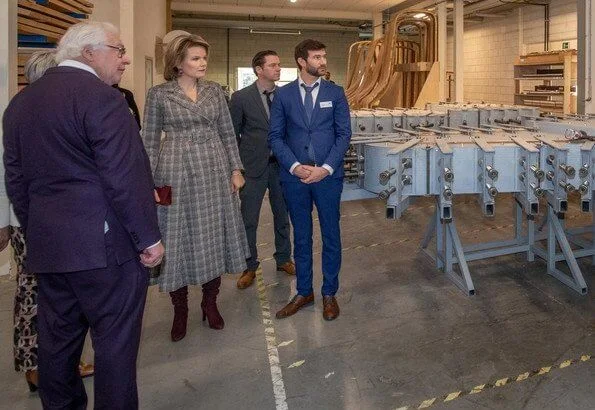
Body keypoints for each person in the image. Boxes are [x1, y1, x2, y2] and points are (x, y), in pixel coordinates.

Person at [3, 21, 163, 409]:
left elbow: (16, 178)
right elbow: (124, 175)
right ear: (88, 52)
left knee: (57, 346)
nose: (124, 60)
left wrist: (38, 226)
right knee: (115, 348)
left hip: (50, 248)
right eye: (118, 50)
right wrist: (148, 238)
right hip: (106, 250)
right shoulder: (102, 99)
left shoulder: (21, 103)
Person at [142, 34, 249, 342]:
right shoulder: (159, 95)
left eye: (204, 58)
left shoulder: (215, 92)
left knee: (212, 234)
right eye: (195, 58)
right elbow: (148, 141)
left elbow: (228, 133)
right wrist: (147, 183)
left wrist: (235, 169)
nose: (202, 63)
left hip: (214, 169)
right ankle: (180, 309)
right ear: (178, 63)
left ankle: (210, 302)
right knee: (175, 237)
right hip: (175, 170)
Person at [0, 49, 94, 394]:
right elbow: (4, 171)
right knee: (32, 295)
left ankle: (62, 363)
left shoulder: (49, 107)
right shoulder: (21, 110)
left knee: (64, 297)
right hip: (28, 220)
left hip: (59, 218)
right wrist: (4, 221)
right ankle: (34, 366)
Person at [268, 39, 351, 321]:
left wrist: (326, 168)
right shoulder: (284, 95)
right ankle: (304, 291)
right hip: (295, 179)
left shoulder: (336, 93)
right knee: (301, 236)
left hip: (328, 177)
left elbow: (344, 136)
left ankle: (330, 293)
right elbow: (275, 137)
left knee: (331, 235)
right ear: (302, 62)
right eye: (317, 57)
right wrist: (293, 167)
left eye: (324, 56)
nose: (322, 62)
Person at [229, 50, 295, 290]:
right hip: (252, 167)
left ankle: (284, 259)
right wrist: (234, 168)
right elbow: (231, 135)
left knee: (282, 216)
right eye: (273, 65)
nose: (278, 69)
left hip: (282, 167)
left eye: (279, 64)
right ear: (259, 69)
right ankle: (249, 265)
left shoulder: (287, 96)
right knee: (249, 219)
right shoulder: (240, 98)